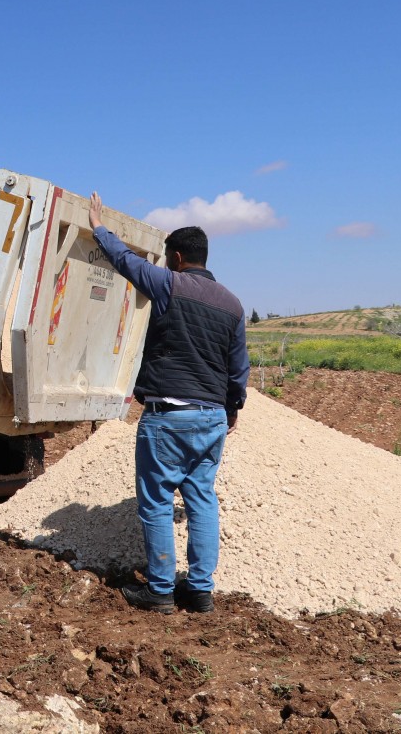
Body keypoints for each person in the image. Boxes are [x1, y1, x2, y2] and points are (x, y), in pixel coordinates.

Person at [89, 192, 250, 614]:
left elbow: (127, 262)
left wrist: (99, 228)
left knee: (157, 502)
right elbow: (238, 371)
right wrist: (230, 410)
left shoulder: (170, 285)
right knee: (202, 500)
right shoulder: (233, 305)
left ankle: (160, 591)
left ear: (177, 257)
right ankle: (200, 591)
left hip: (168, 418)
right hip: (212, 418)